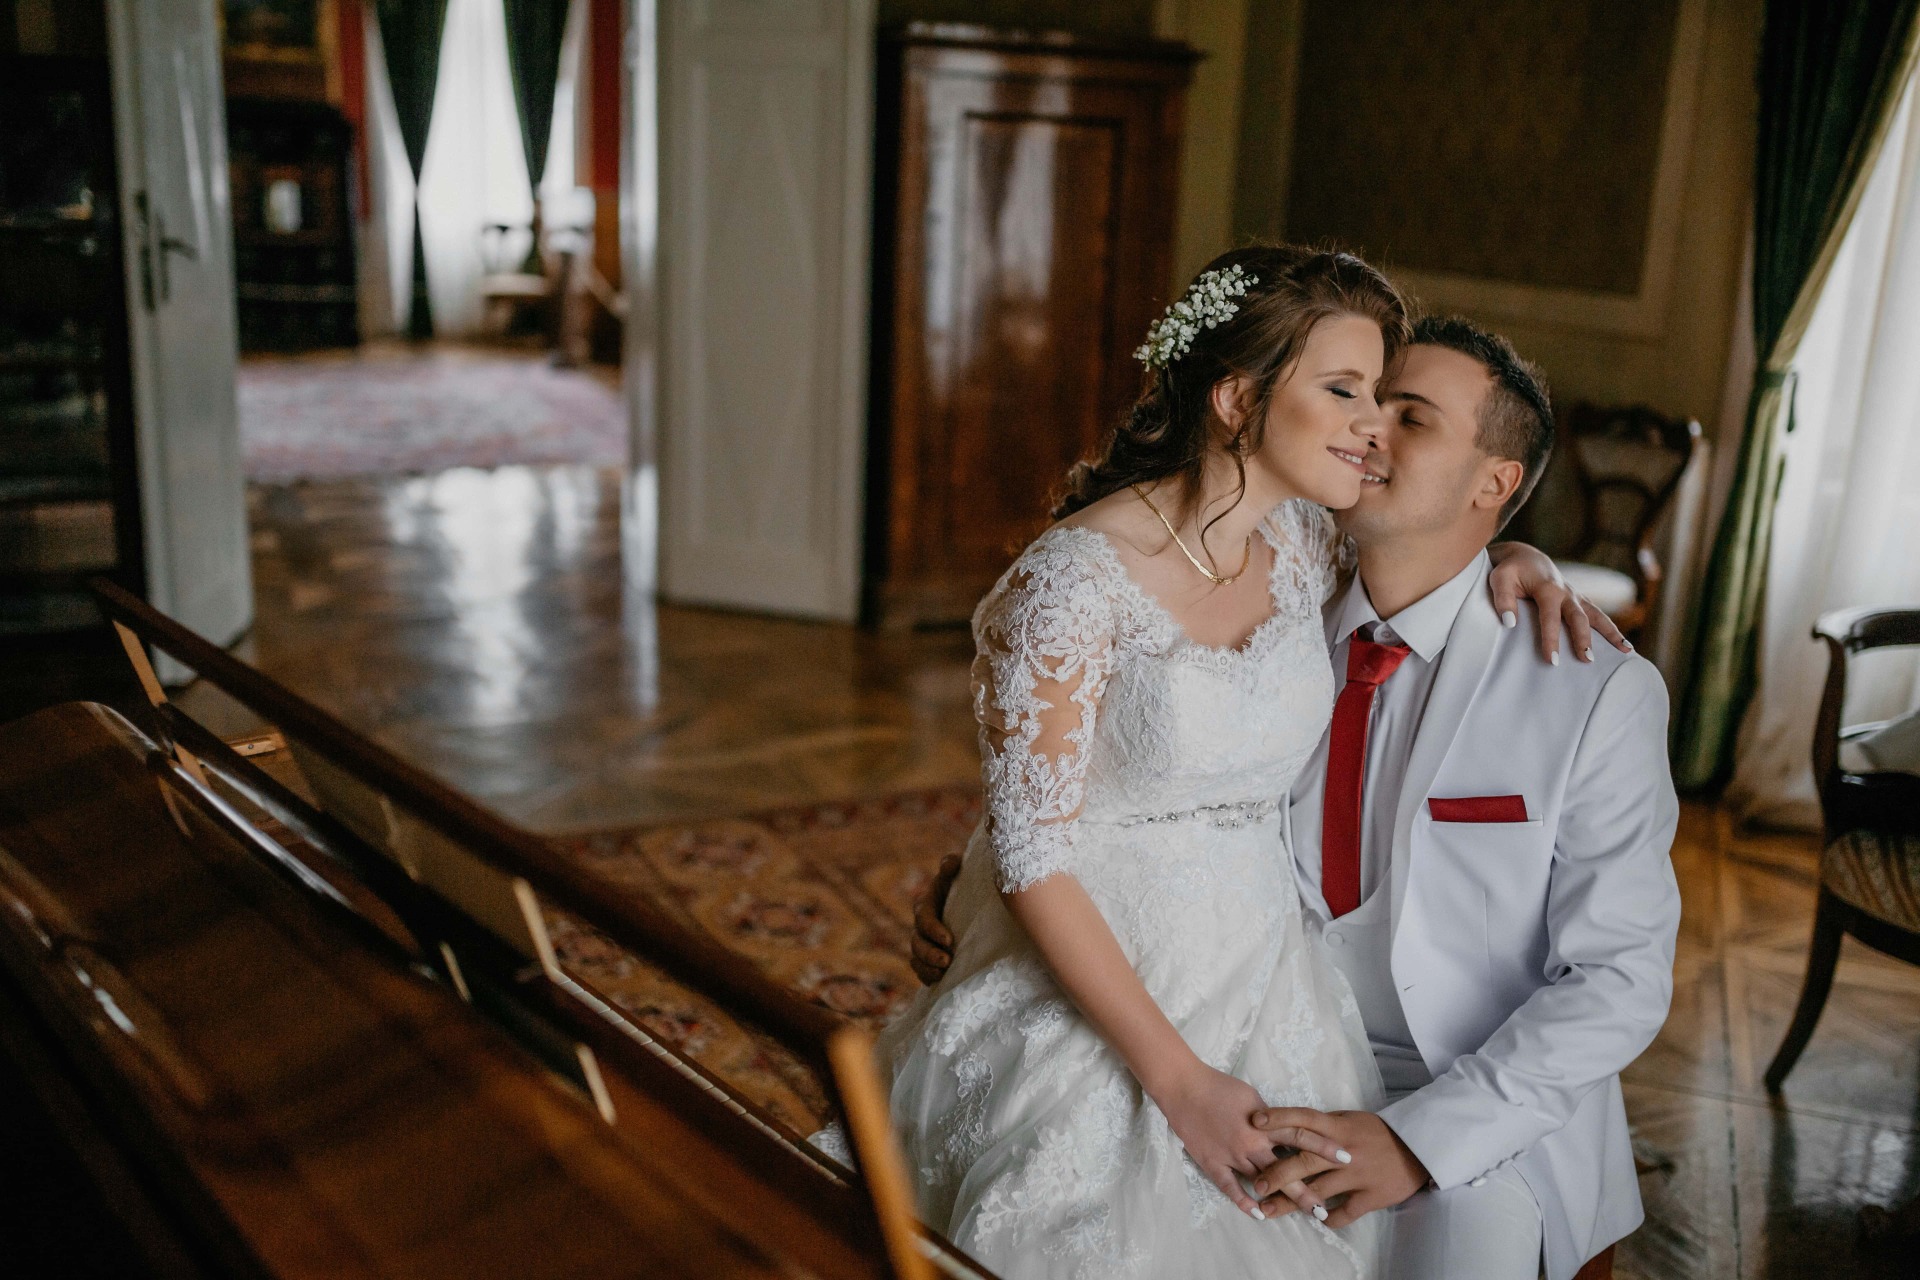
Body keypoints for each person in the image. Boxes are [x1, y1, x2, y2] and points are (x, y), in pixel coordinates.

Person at [873, 246, 1622, 1280]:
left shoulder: (1306, 545)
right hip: (1113, 964)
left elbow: (1428, 544)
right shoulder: (1073, 583)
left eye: (1387, 398)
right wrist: (1179, 1081)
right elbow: (1036, 849)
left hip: (1271, 972)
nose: (1374, 423)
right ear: (1236, 399)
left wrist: (1514, 553)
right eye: (1347, 391)